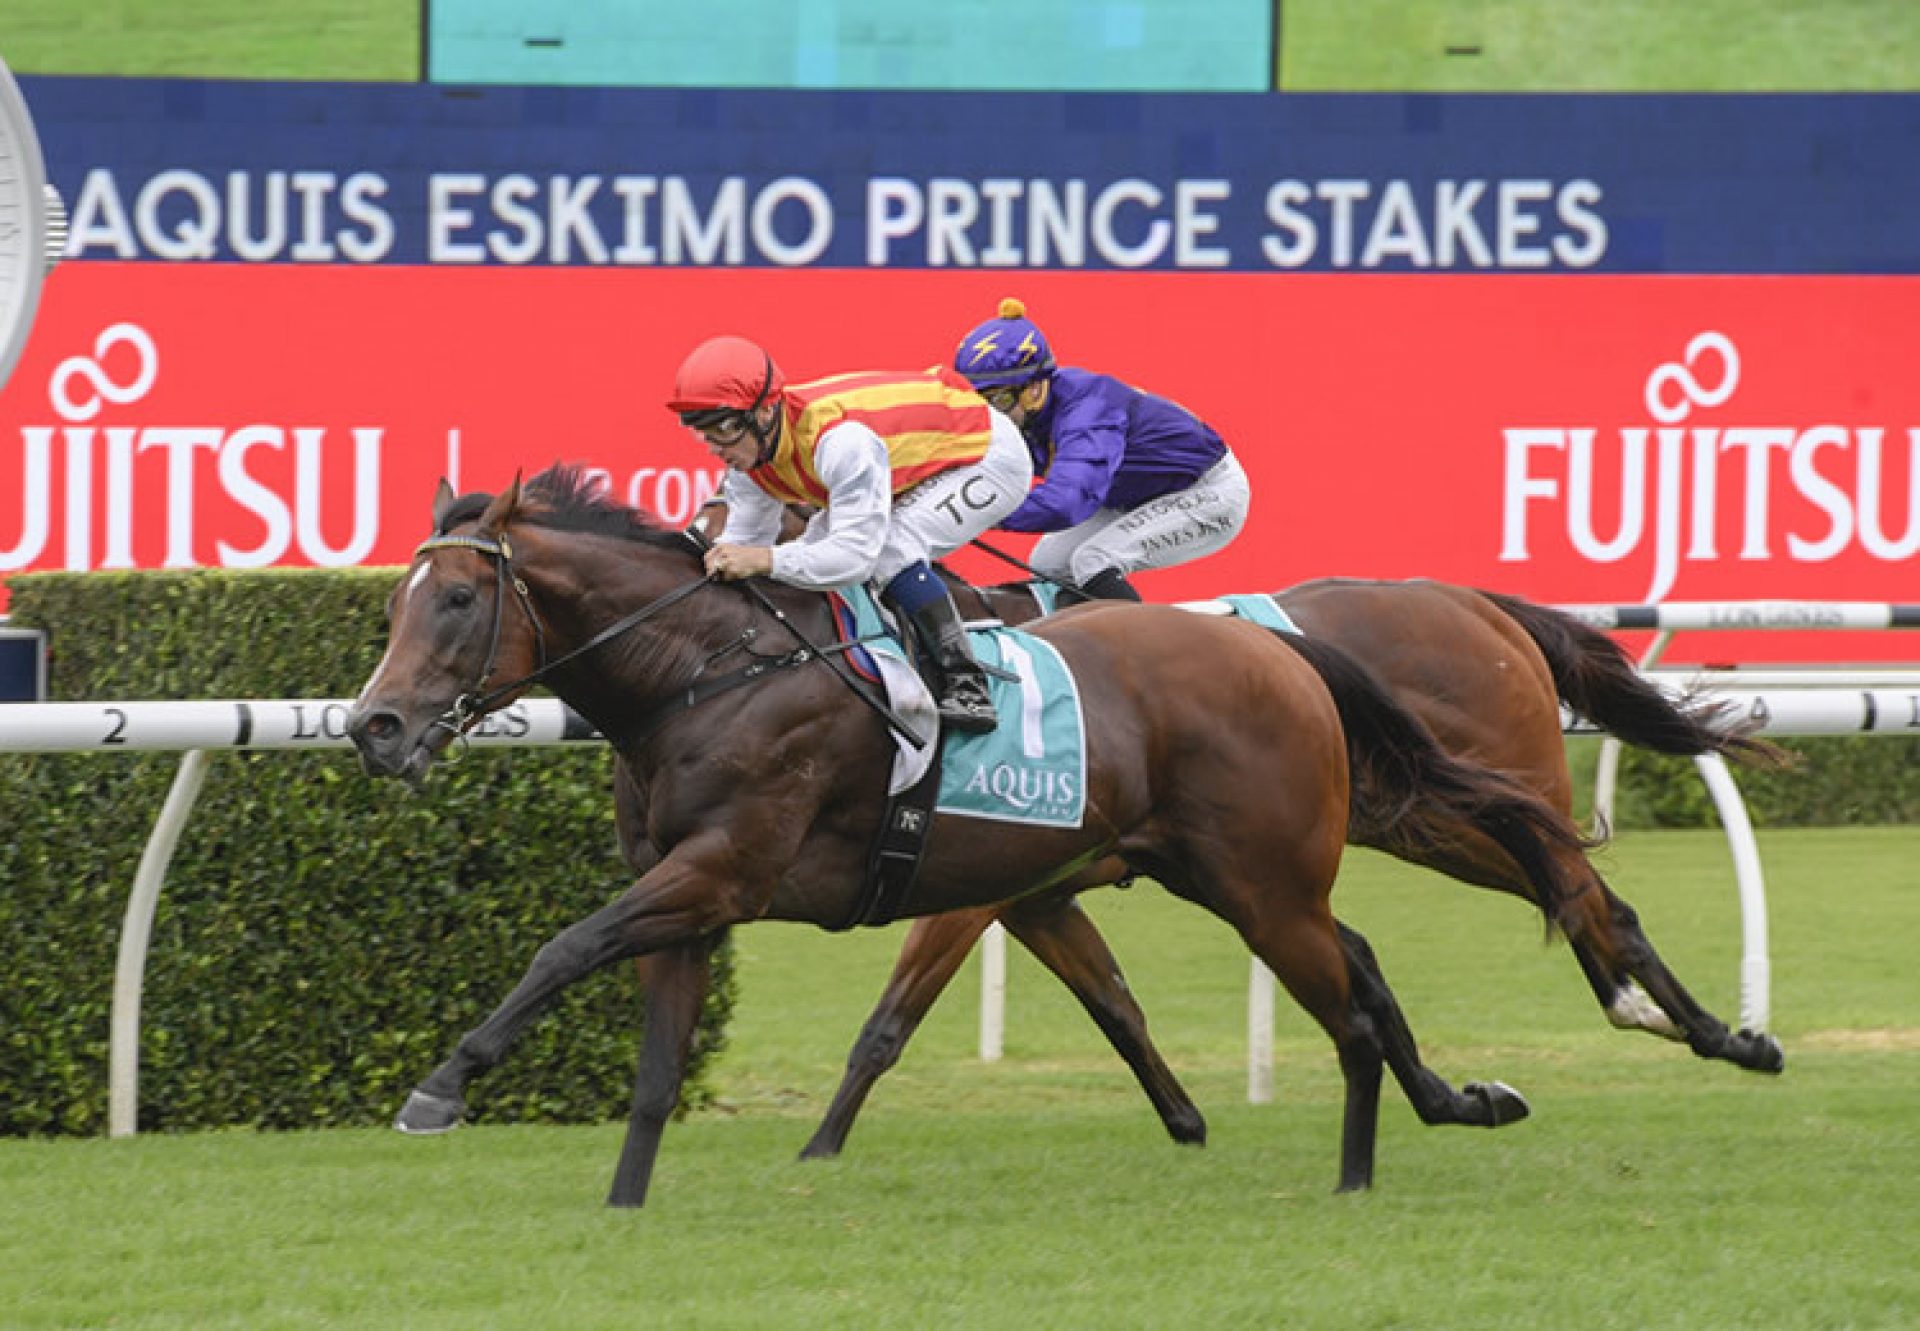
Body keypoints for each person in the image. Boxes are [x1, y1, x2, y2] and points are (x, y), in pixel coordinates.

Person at [668, 335, 1033, 734]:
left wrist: (762, 559)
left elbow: (854, 560)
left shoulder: (839, 442)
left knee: (889, 549)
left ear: (766, 412)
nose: (714, 447)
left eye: (723, 428)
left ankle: (966, 683)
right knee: (809, 552)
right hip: (916, 447)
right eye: (701, 432)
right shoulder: (749, 462)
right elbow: (743, 549)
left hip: (987, 453)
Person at [952, 297, 1251, 602]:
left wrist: (975, 514)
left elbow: (1065, 503)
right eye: (980, 403)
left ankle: (1147, 648)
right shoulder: (1023, 413)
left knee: (1094, 561)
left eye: (999, 401)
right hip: (1129, 495)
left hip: (1207, 492)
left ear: (1034, 388)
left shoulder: (1088, 412)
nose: (990, 415)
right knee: (1047, 565)